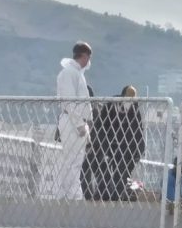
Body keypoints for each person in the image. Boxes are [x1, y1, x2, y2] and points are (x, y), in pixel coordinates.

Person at [92, 85, 144, 201]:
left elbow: (138, 130)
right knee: (104, 169)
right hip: (108, 142)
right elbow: (101, 125)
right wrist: (101, 144)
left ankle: (118, 196)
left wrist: (138, 149)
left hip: (125, 146)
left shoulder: (134, 109)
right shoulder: (111, 105)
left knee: (121, 172)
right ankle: (103, 194)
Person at [56, 41, 93, 199]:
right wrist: (79, 124)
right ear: (84, 56)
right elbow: (70, 101)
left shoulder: (76, 73)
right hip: (72, 122)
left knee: (73, 160)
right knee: (73, 161)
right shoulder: (70, 73)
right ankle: (73, 195)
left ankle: (66, 194)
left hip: (76, 121)